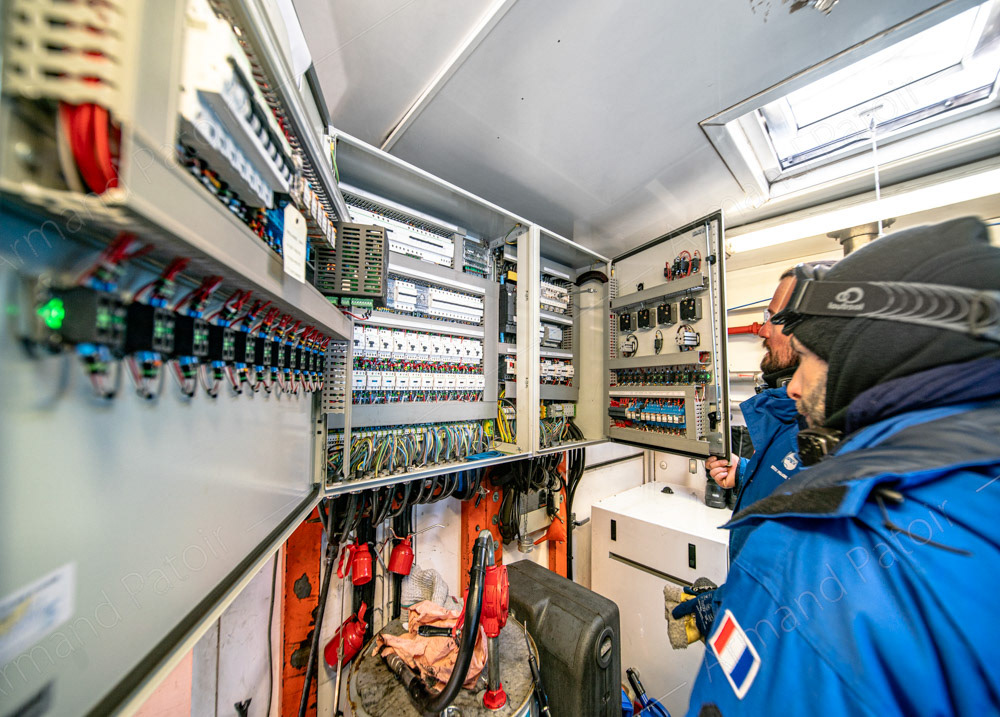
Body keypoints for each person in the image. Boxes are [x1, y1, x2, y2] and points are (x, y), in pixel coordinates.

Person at [685, 216, 1000, 716]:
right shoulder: (971, 479)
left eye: (807, 354)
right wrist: (742, 474)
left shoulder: (817, 554)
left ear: (867, 359)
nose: (792, 383)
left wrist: (731, 608)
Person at [706, 261, 835, 561]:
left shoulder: (833, 439)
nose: (762, 329)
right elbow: (785, 485)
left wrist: (728, 606)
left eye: (773, 317)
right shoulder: (791, 414)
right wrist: (744, 473)